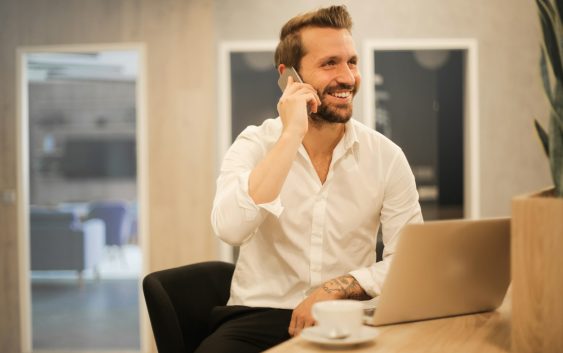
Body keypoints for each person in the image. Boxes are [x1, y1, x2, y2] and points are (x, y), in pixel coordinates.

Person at [202, 5, 423, 353]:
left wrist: (335, 289)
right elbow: (231, 229)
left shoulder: (387, 157)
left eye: (351, 62)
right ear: (290, 76)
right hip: (258, 315)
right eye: (329, 63)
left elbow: (408, 261)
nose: (348, 77)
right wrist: (291, 135)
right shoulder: (254, 144)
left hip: (348, 315)